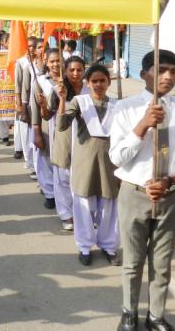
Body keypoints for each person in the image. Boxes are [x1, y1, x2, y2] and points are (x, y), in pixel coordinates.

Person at [110, 50, 175, 331]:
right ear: (144, 74)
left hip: (170, 196)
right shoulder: (125, 108)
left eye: (173, 71)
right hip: (134, 193)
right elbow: (117, 158)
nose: (168, 76)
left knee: (162, 263)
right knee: (132, 262)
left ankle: (155, 316)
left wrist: (173, 180)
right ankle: (129, 312)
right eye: (161, 69)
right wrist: (142, 125)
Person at [56, 64, 120, 267]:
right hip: (85, 162)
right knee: (83, 205)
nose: (98, 84)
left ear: (109, 82)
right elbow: (61, 125)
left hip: (110, 163)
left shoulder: (118, 105)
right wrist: (61, 100)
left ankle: (108, 245)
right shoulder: (79, 102)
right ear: (87, 83)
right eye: (94, 81)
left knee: (109, 206)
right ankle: (84, 246)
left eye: (102, 80)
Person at [43, 56, 88, 232]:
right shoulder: (57, 91)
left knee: (82, 178)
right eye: (71, 70)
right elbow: (47, 115)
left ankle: (83, 214)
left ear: (84, 71)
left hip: (85, 138)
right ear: (66, 72)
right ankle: (66, 214)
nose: (75, 73)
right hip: (64, 137)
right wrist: (44, 105)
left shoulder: (90, 90)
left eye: (79, 70)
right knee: (62, 177)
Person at [30, 49, 61, 209]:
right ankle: (50, 194)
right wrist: (36, 133)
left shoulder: (69, 78)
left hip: (66, 127)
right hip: (46, 127)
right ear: (47, 63)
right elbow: (35, 109)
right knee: (46, 160)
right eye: (52, 61)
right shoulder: (40, 81)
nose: (56, 64)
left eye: (58, 60)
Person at [19, 37, 47, 178]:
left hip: (49, 108)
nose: (42, 50)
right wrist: (24, 110)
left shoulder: (53, 65)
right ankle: (36, 168)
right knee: (35, 138)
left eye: (44, 47)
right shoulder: (28, 67)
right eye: (39, 47)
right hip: (33, 108)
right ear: (34, 51)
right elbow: (25, 89)